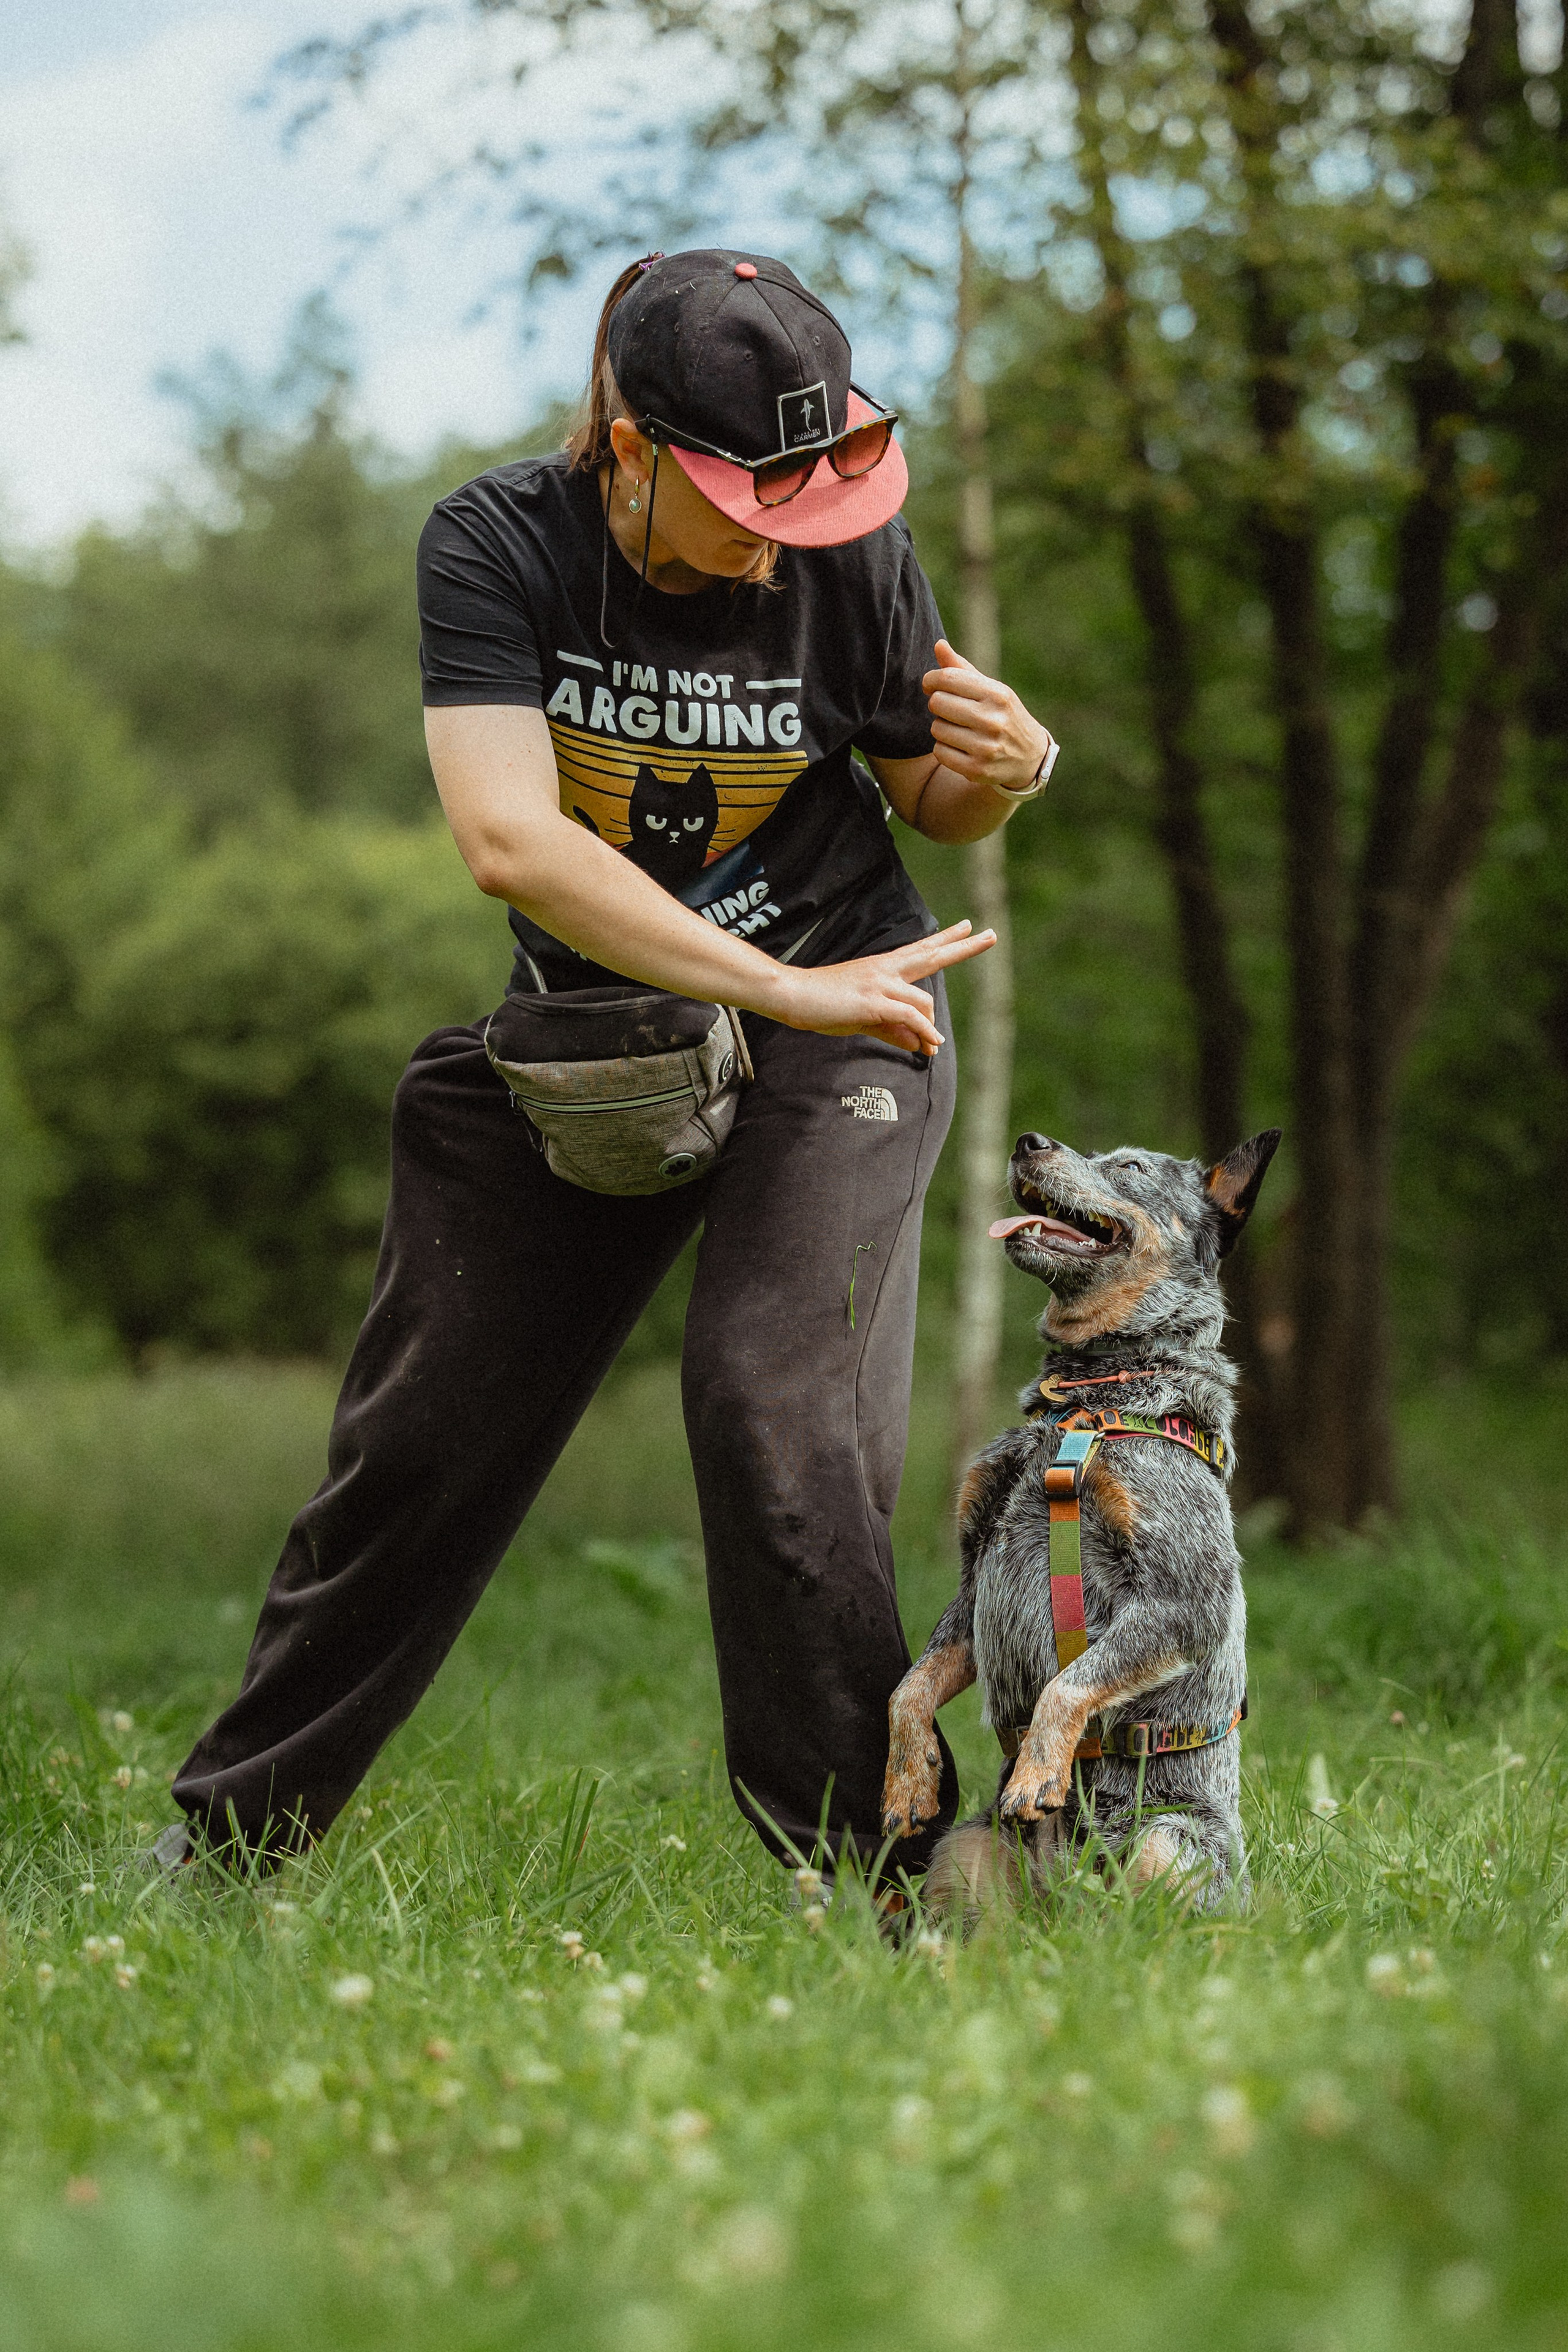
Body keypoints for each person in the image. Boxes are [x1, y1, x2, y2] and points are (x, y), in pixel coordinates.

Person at [163, 248, 1058, 1888]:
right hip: (608, 1036)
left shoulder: (849, 549)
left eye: (815, 486)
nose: (787, 531)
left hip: (852, 1020)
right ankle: (230, 1842)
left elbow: (933, 796)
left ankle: (885, 1880)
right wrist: (773, 980)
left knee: (772, 1406)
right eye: (747, 496)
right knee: (422, 1441)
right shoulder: (500, 544)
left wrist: (1009, 771)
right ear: (632, 444)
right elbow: (511, 842)